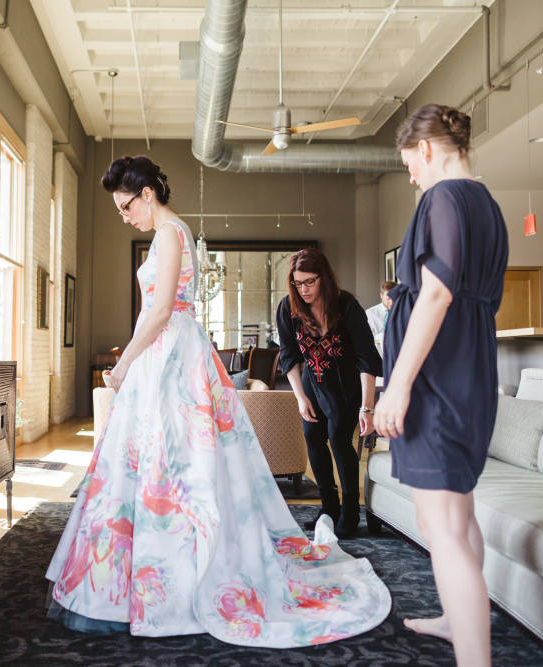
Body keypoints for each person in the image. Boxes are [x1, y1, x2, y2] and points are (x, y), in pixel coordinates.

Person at [46, 156, 391, 647]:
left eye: (126, 206)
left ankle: (170, 572)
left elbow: (161, 308)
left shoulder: (168, 233)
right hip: (174, 349)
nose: (124, 216)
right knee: (177, 462)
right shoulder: (174, 233)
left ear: (147, 194)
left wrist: (124, 365)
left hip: (172, 351)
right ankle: (165, 561)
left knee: (172, 463)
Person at [375, 104, 509, 667]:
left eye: (409, 163)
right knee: (458, 515)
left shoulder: (444, 197)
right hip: (467, 370)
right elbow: (445, 292)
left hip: (438, 380)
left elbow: (438, 293)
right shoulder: (489, 206)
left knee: (444, 526)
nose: (411, 176)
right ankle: (459, 620)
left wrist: (398, 385)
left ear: (426, 149)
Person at [276, 249, 381, 539]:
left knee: (338, 440)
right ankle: (329, 508)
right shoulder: (288, 308)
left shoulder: (346, 306)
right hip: (312, 380)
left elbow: (366, 358)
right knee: (312, 437)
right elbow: (288, 356)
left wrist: (367, 407)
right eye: (298, 283)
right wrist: (300, 397)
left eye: (310, 282)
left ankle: (349, 510)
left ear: (324, 277)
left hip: (346, 383)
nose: (304, 289)